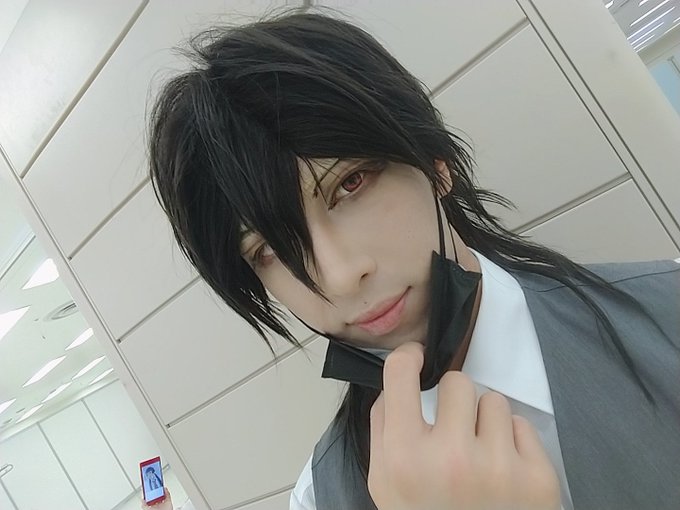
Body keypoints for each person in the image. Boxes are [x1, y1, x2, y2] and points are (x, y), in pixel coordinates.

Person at [147, 10, 680, 510]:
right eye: (267, 249)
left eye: (350, 184)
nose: (339, 277)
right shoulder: (320, 496)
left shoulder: (668, 308)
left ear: (434, 162)